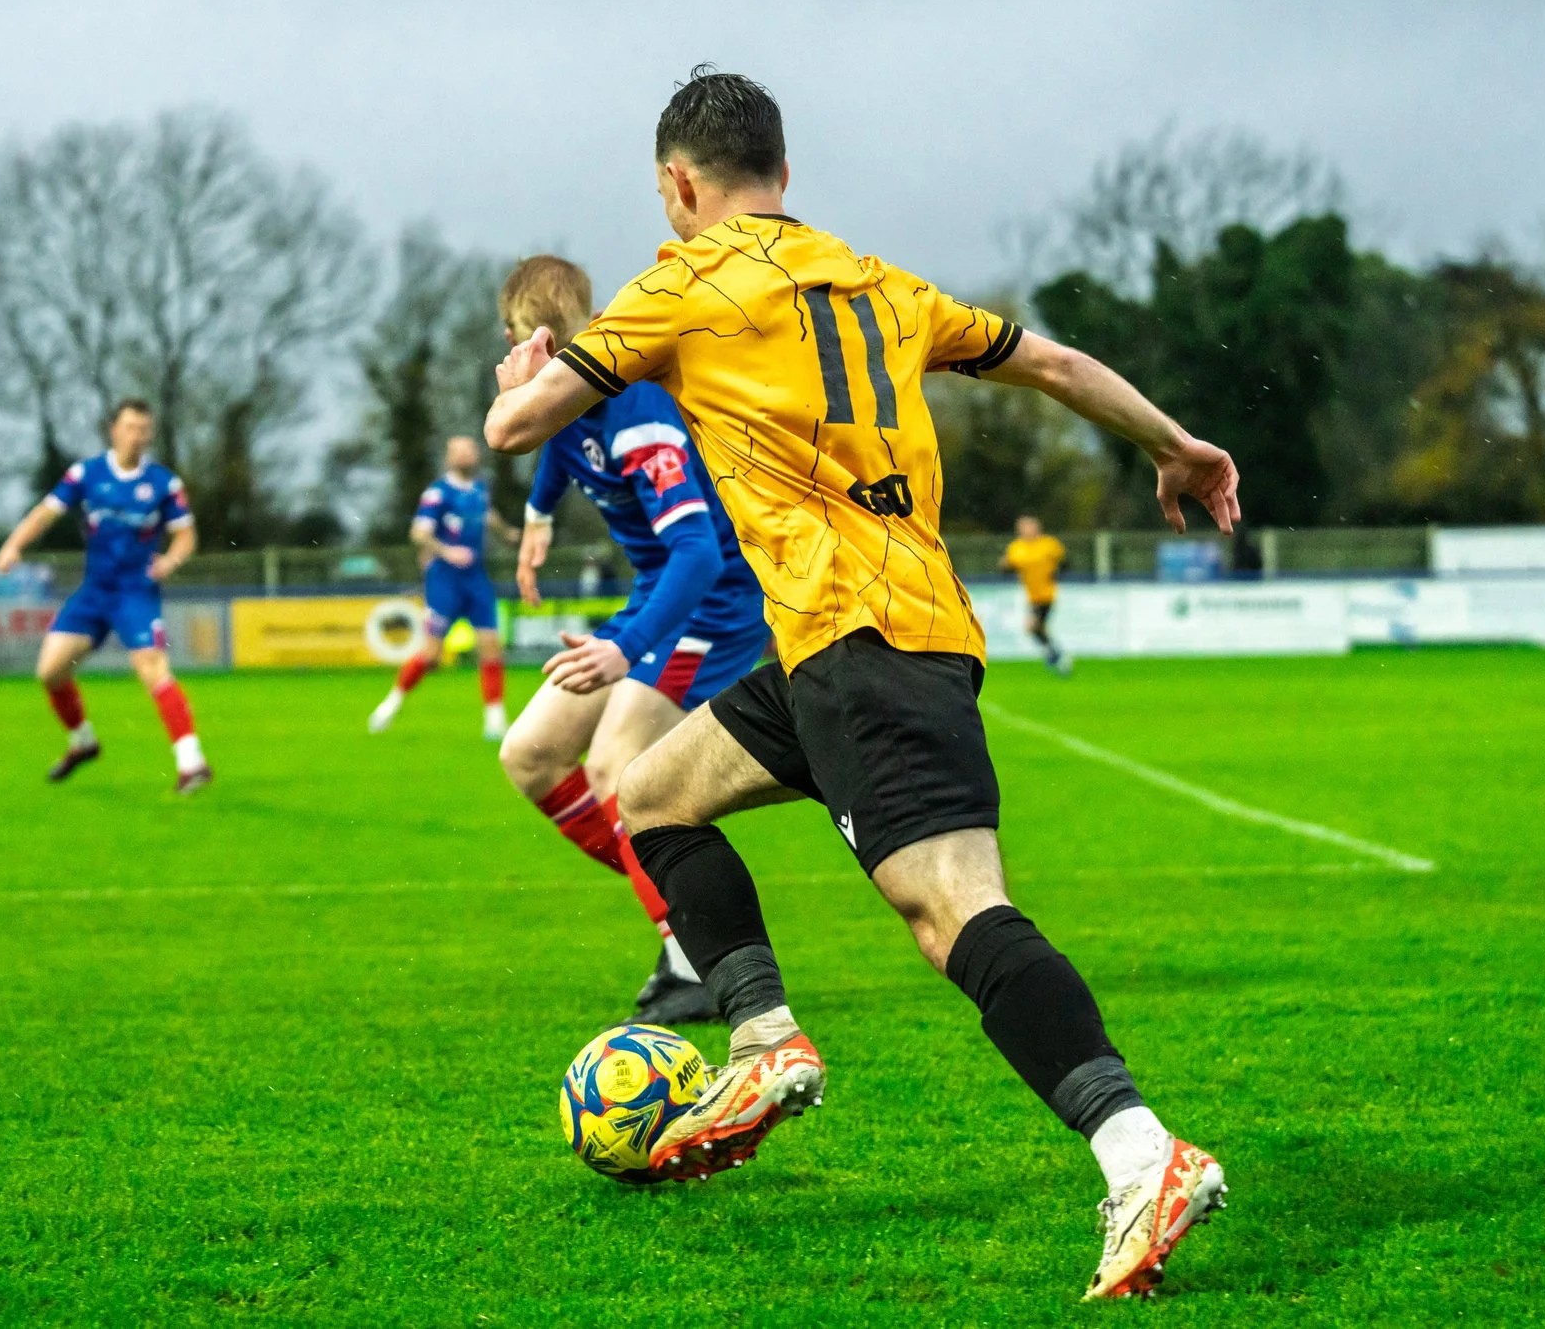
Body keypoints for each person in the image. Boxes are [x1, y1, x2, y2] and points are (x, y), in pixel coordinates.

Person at [484, 70, 1242, 1301]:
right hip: (866, 639)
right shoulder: (879, 280)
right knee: (652, 793)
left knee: (954, 911)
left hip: (858, 648)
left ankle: (1137, 1150)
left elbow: (520, 429)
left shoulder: (677, 282)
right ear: (781, 171)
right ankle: (762, 1041)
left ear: (678, 185)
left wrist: (529, 365)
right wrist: (1177, 443)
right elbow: (1049, 361)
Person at [493, 255, 772, 1026]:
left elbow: (699, 553)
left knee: (621, 766)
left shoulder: (637, 414)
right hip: (656, 598)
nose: (507, 359)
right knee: (529, 753)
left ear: (544, 339)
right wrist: (538, 523)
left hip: (711, 604)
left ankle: (693, 949)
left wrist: (625, 650)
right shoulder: (569, 405)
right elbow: (552, 449)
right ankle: (686, 904)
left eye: (515, 341)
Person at [0, 398, 212, 796]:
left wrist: (171, 561)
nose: (137, 437)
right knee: (50, 672)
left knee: (153, 667)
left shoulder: (164, 484)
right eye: (130, 427)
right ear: (113, 430)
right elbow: (46, 512)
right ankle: (83, 742)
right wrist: (13, 546)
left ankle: (191, 762)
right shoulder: (87, 474)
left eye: (144, 430)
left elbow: (186, 534)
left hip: (135, 593)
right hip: (94, 592)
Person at [368, 435, 519, 740]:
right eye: (458, 452)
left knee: (490, 646)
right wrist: (447, 551)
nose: (465, 456)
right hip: (444, 579)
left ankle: (494, 721)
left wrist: (507, 533)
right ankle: (391, 703)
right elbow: (419, 532)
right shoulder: (438, 493)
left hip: (476, 578)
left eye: (469, 450)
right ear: (449, 457)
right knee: (432, 654)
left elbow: (488, 516)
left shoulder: (480, 489)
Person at [1003, 514, 1072, 675]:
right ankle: (1055, 655)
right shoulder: (1016, 547)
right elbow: (1006, 567)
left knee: (1033, 627)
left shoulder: (1049, 545)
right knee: (1037, 629)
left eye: (1029, 526)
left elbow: (1065, 563)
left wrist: (1055, 574)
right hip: (1031, 595)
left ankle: (1058, 656)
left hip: (1047, 594)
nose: (1026, 530)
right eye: (1022, 527)